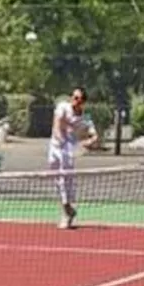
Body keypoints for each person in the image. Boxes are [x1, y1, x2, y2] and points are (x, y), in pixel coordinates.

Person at [50, 86, 100, 229]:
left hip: (67, 150)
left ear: (83, 102)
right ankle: (68, 210)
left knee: (65, 180)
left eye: (78, 98)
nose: (74, 100)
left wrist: (88, 142)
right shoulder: (63, 107)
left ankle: (66, 212)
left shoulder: (85, 118)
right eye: (73, 96)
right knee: (56, 179)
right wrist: (60, 139)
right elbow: (56, 124)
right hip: (54, 148)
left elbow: (94, 136)